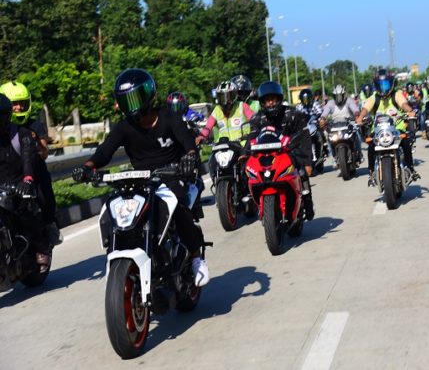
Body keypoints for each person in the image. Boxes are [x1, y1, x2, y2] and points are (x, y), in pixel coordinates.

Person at [72, 69, 210, 286]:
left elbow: (187, 141)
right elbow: (105, 151)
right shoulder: (124, 127)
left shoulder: (169, 117)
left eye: (135, 98)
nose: (132, 105)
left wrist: (190, 158)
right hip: (140, 180)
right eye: (126, 100)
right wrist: (87, 167)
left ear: (149, 95)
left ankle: (195, 257)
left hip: (172, 175)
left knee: (178, 206)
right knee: (115, 208)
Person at [0, 80, 61, 245]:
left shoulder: (34, 126)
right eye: (14, 104)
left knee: (44, 196)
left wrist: (35, 146)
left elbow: (44, 152)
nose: (18, 108)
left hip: (33, 171)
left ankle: (49, 226)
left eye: (21, 104)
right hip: (8, 174)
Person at [247, 81, 315, 220]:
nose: (271, 103)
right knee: (247, 172)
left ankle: (308, 203)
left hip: (290, 152)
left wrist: (308, 162)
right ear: (262, 102)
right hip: (267, 156)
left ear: (279, 99)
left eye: (273, 99)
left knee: (302, 172)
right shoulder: (257, 118)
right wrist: (244, 154)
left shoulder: (292, 114)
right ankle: (250, 202)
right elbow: (251, 138)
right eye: (267, 100)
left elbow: (304, 136)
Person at [0, 93, 49, 270]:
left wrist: (27, 180)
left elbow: (28, 159)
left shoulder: (22, 134)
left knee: (24, 213)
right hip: (0, 187)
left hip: (19, 185)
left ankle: (41, 248)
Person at [356, 69, 420, 186]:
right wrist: (360, 118)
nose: (383, 88)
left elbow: (403, 104)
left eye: (385, 85)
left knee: (406, 142)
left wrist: (410, 111)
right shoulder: (374, 98)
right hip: (379, 131)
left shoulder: (397, 94)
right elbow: (366, 108)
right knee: (371, 147)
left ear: (391, 84)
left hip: (397, 128)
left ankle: (411, 168)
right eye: (380, 85)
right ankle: (371, 173)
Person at [196, 81, 255, 146]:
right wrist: (202, 136)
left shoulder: (242, 106)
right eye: (221, 97)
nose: (225, 101)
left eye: (227, 97)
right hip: (222, 148)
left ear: (234, 96)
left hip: (242, 147)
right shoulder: (217, 110)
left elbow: (255, 120)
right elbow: (208, 127)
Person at [319, 84, 362, 161]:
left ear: (344, 94)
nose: (339, 98)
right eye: (336, 96)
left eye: (340, 95)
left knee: (357, 133)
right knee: (328, 137)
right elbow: (324, 114)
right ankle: (334, 156)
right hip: (334, 126)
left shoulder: (349, 101)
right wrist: (322, 119)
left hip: (349, 123)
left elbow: (355, 109)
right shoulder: (330, 103)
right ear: (333, 95)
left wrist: (356, 114)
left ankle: (359, 153)